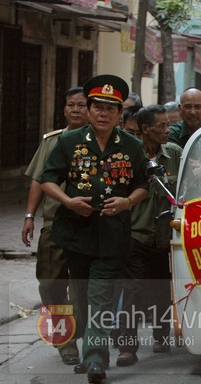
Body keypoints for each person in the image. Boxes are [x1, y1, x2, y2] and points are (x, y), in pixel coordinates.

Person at [40, 74, 149, 384]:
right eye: (97, 107)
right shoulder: (68, 142)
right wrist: (68, 201)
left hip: (113, 235)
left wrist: (127, 202)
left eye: (111, 109)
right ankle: (90, 349)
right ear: (88, 111)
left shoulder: (131, 146)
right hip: (75, 234)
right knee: (83, 296)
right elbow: (47, 179)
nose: (103, 113)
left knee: (100, 296)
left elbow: (143, 184)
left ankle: (96, 361)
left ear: (120, 115)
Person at [21, 87, 89, 366]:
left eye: (81, 105)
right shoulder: (51, 142)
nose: (75, 110)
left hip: (86, 223)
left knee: (81, 285)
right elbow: (38, 180)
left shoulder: (97, 141)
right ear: (64, 109)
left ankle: (76, 331)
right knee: (51, 282)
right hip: (54, 222)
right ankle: (65, 339)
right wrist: (29, 216)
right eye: (70, 105)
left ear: (90, 109)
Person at [116, 105, 183, 366]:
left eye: (168, 125)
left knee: (161, 290)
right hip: (135, 233)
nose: (167, 130)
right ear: (145, 130)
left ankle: (161, 335)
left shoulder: (175, 154)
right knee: (132, 290)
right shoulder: (129, 155)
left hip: (166, 234)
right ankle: (128, 347)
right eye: (162, 126)